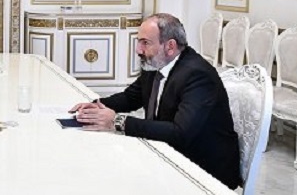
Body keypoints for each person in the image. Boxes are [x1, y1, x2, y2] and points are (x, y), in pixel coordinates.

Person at [69, 13, 241, 189]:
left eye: (145, 43)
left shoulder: (197, 75)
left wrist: (117, 121)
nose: (138, 50)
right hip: (168, 153)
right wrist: (96, 105)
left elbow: (180, 133)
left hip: (202, 171)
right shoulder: (156, 64)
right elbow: (130, 97)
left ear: (170, 46)